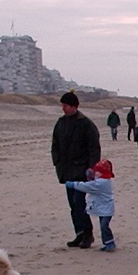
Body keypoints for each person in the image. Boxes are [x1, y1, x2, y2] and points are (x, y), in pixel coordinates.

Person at [51, 90, 101, 248]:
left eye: (65, 105)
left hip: (81, 170)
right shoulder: (61, 122)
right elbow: (55, 145)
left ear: (74, 106)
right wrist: (57, 162)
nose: (63, 108)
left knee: (78, 202)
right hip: (66, 170)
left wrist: (91, 168)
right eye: (62, 105)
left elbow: (94, 148)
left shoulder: (86, 124)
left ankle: (87, 233)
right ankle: (79, 233)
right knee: (73, 205)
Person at [66, 159, 117, 251]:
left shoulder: (101, 183)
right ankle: (107, 242)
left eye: (97, 172)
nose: (96, 173)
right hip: (103, 208)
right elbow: (92, 182)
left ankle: (110, 242)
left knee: (104, 225)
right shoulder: (103, 180)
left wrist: (73, 184)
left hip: (106, 209)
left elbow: (86, 186)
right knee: (103, 225)